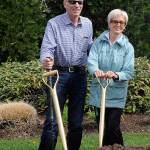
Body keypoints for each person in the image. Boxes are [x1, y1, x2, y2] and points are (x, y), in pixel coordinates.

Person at [39, 0, 93, 150]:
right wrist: (46, 60)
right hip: (58, 75)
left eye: (80, 2)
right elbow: (47, 48)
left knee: (76, 123)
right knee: (52, 121)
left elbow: (90, 47)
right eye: (72, 1)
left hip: (80, 76)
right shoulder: (54, 23)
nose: (77, 5)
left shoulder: (88, 24)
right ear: (65, 4)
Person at [87, 9, 134, 146]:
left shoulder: (128, 48)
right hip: (100, 91)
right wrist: (96, 70)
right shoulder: (98, 43)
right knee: (103, 127)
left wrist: (116, 74)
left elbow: (129, 71)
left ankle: (118, 148)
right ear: (109, 23)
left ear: (124, 25)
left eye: (121, 22)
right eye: (114, 21)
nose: (117, 24)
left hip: (116, 93)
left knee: (113, 128)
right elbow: (92, 61)